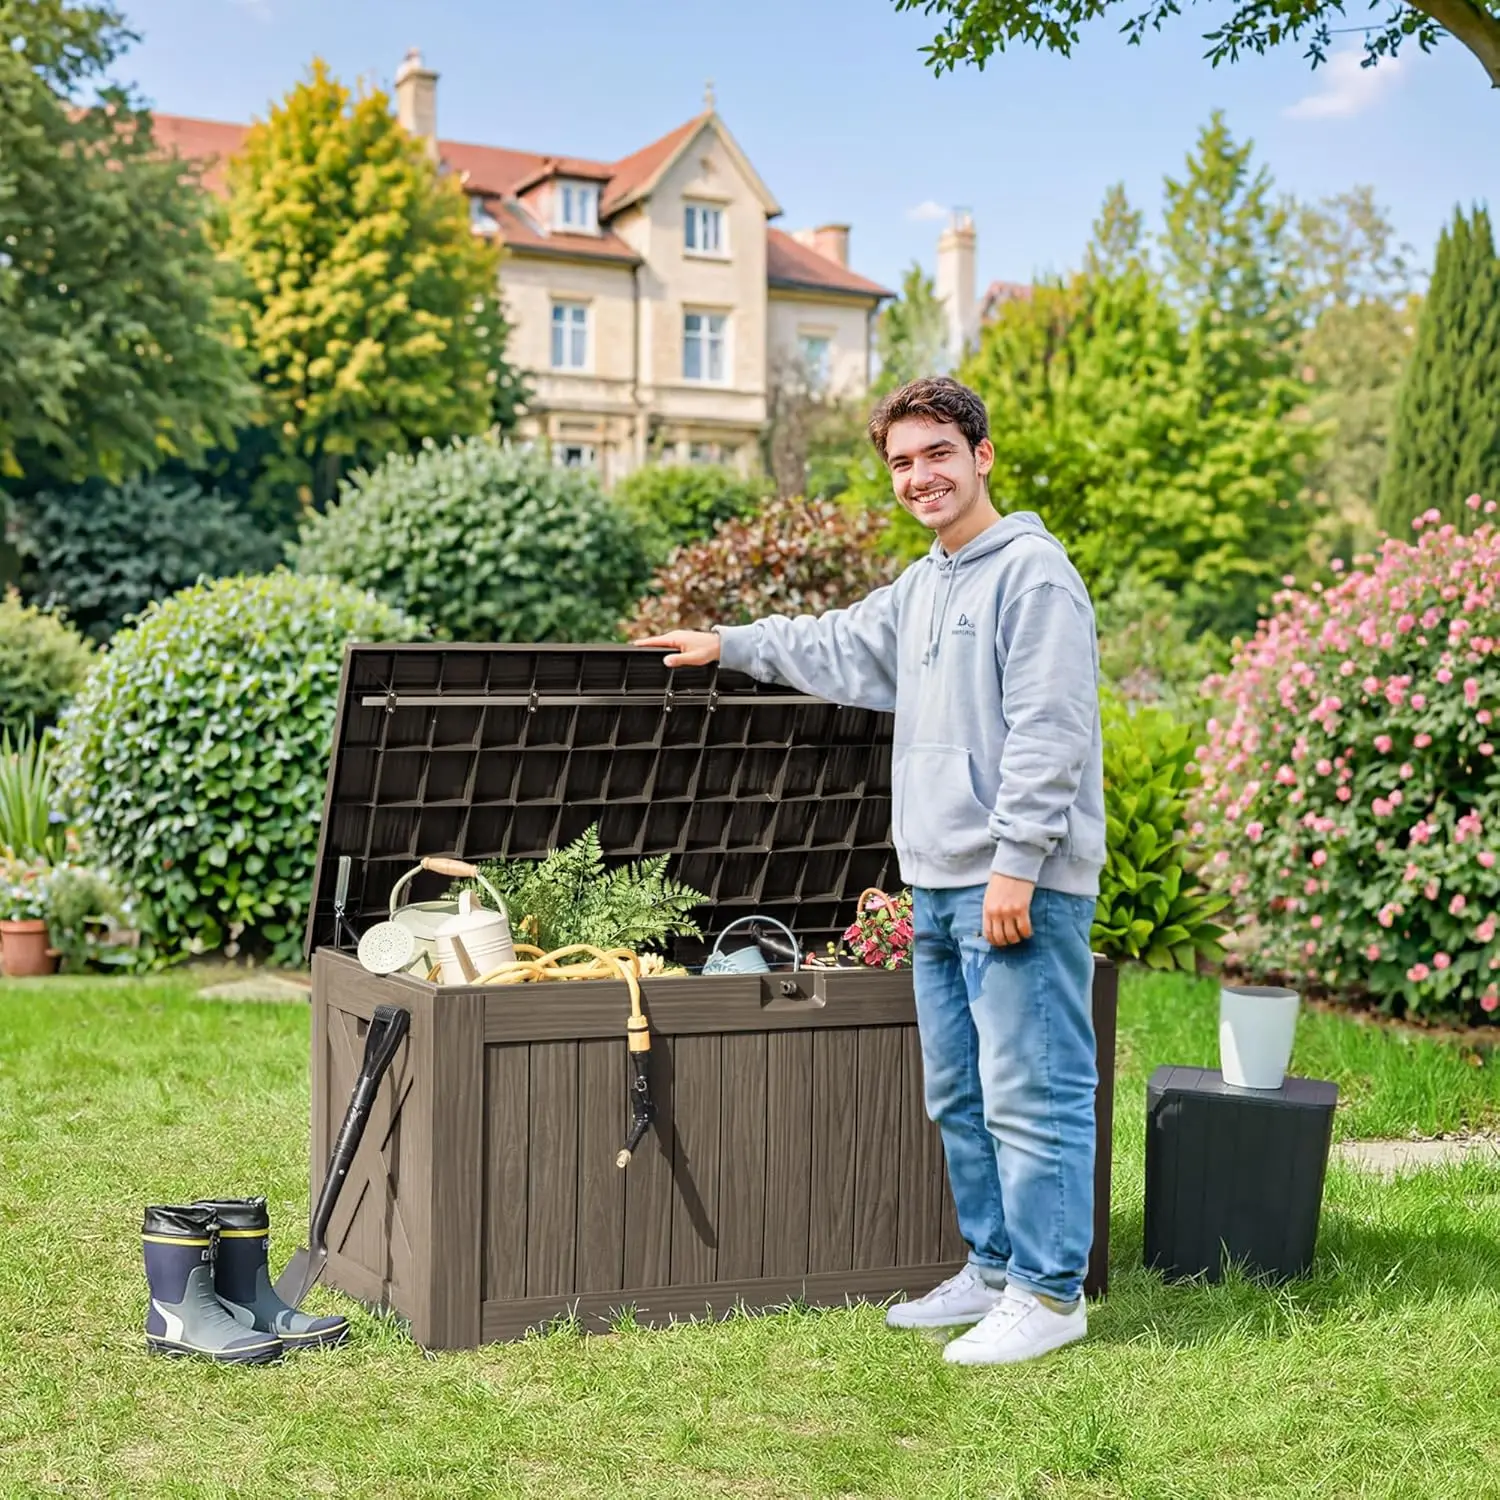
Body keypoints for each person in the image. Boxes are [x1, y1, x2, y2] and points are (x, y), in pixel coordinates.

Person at [635, 374, 1105, 1368]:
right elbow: (837, 644)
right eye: (901, 462)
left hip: (1011, 885)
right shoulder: (925, 587)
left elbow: (1051, 729)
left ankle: (1051, 1293)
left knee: (1031, 1085)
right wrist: (729, 643)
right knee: (960, 1091)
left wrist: (1017, 865)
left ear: (982, 456)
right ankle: (992, 1268)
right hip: (935, 884)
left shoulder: (1034, 575)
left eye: (938, 453)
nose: (920, 476)